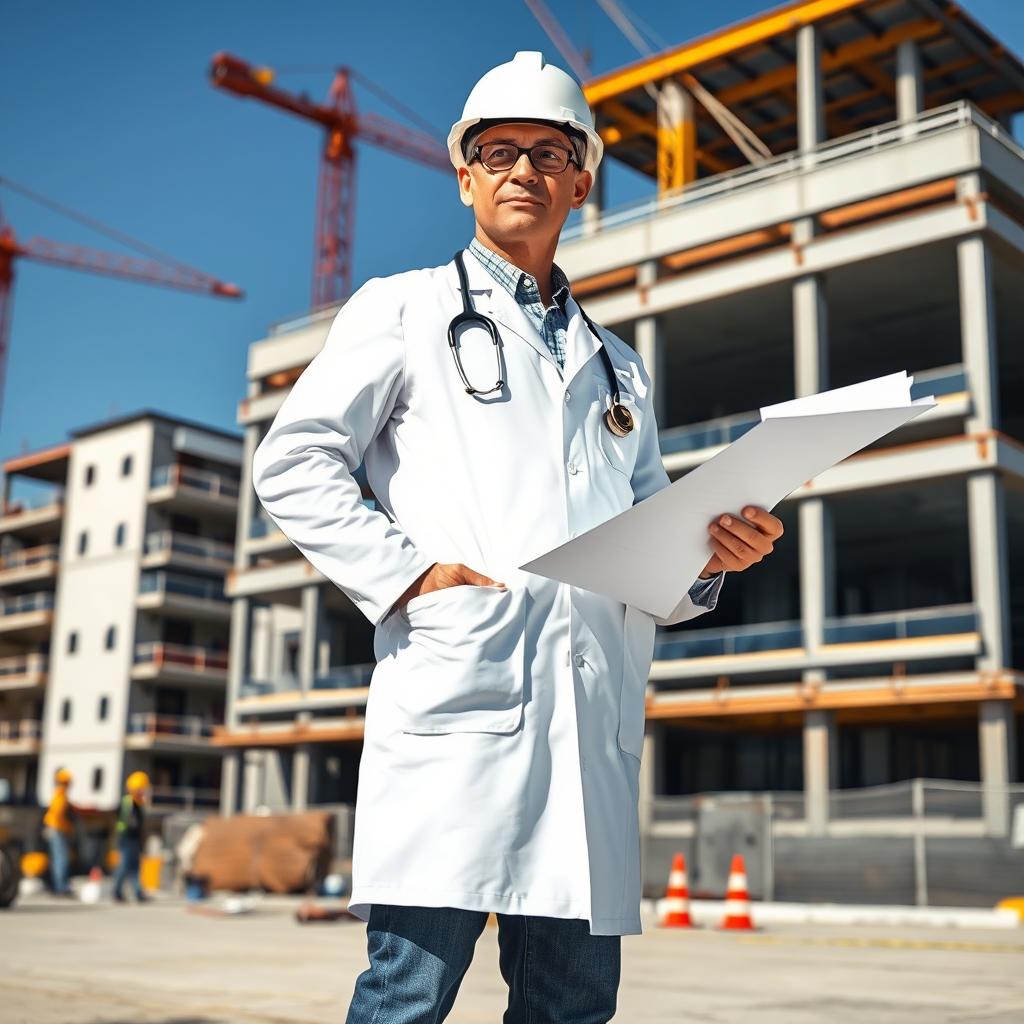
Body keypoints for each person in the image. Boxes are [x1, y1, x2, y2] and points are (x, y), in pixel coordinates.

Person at [252, 49, 784, 1024]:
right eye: (498, 151)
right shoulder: (402, 311)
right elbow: (292, 463)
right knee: (407, 996)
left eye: (548, 152)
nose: (522, 171)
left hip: (587, 724)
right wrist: (412, 577)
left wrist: (711, 557)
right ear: (463, 176)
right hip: (464, 704)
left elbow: (651, 537)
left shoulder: (619, 367)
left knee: (573, 1008)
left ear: (581, 180)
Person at [112, 770, 150, 903]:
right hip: (127, 838)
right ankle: (116, 891)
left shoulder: (138, 803)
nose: (144, 791)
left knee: (135, 867)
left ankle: (138, 892)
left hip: (134, 839)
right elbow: (130, 822)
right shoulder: (129, 802)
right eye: (142, 788)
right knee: (124, 865)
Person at [42, 767, 78, 897]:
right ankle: (60, 887)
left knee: (58, 858)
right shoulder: (60, 795)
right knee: (61, 859)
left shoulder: (60, 794)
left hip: (56, 829)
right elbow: (57, 814)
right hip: (58, 830)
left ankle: (58, 885)